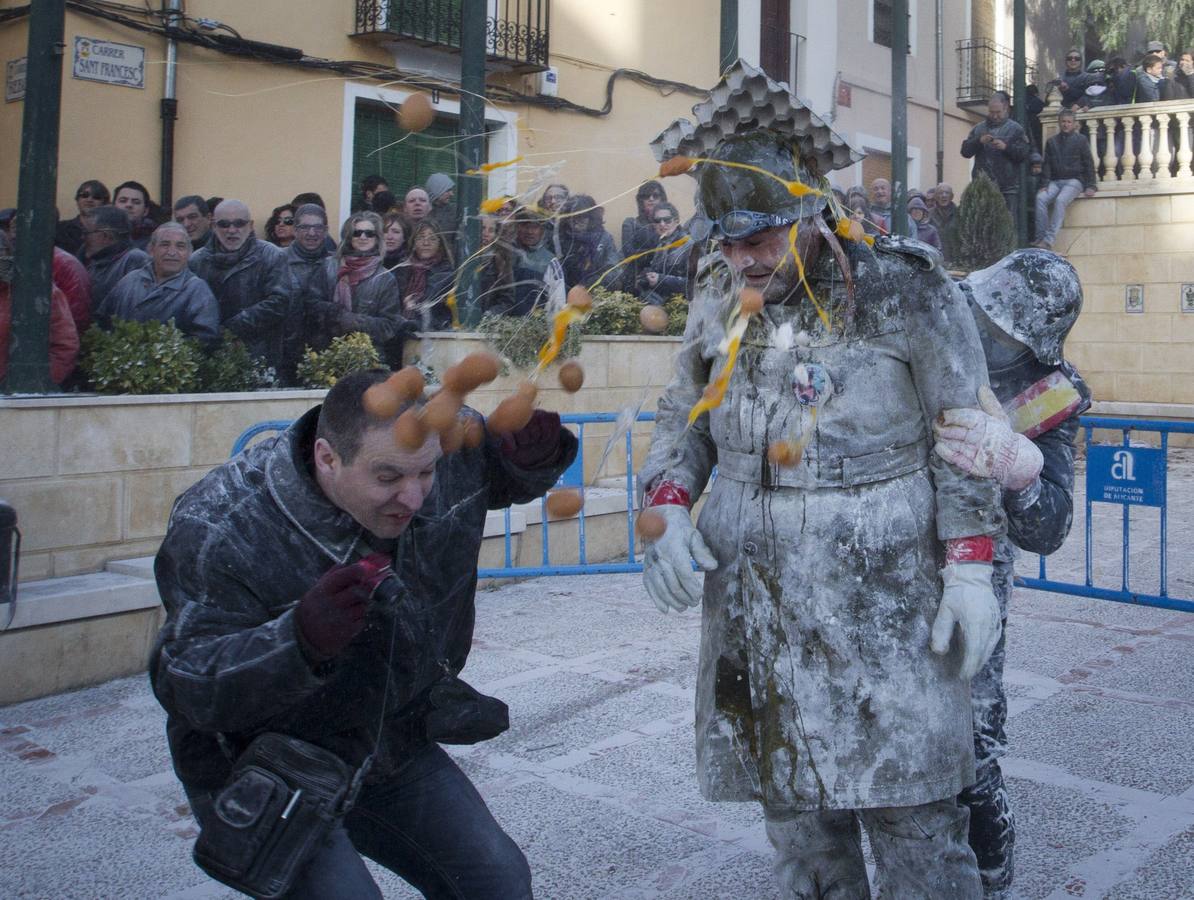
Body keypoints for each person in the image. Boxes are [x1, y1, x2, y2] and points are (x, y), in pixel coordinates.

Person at [640, 67, 1002, 896]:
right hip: (756, 590)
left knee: (915, 820)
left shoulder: (904, 289)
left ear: (811, 209)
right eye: (727, 239)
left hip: (885, 588)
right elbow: (681, 415)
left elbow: (967, 434)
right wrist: (664, 505)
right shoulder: (718, 292)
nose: (744, 256)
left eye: (762, 235)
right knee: (798, 824)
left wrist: (972, 564)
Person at [150, 368, 577, 899]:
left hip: (388, 735)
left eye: (425, 475)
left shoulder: (443, 440)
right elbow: (187, 681)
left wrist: (528, 458)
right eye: (388, 478)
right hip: (263, 760)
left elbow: (492, 475)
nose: (414, 497)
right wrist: (298, 640)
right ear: (328, 458)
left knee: (497, 882)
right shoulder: (223, 524)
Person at [937, 249, 1090, 897]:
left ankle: (989, 872)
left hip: (976, 570)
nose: (986, 341)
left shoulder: (1047, 392)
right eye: (983, 321)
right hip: (885, 551)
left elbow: (1050, 526)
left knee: (970, 744)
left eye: (1004, 336)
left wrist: (1021, 469)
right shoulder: (929, 315)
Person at [189, 199, 295, 382]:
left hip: (260, 360)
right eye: (224, 224)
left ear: (251, 225)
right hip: (209, 361)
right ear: (214, 226)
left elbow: (279, 302)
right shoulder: (196, 261)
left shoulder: (272, 256)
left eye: (239, 223)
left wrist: (231, 329)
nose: (232, 230)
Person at [308, 212, 410, 369]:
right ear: (349, 236)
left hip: (368, 360)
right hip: (325, 356)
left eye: (369, 233)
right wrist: (335, 314)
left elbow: (389, 326)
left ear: (377, 238)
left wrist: (353, 321)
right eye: (357, 232)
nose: (363, 237)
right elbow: (310, 305)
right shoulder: (327, 267)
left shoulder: (385, 278)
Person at [97, 223, 219, 345]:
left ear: (189, 253)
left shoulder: (198, 290)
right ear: (151, 250)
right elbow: (101, 322)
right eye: (165, 245)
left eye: (180, 246)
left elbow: (205, 340)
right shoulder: (129, 280)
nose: (172, 252)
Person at [0, 231, 79, 387]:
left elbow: (64, 347)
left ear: (8, 253)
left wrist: (31, 384)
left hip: (16, 396)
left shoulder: (37, 291)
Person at [961, 93, 1033, 220]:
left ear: (1006, 108)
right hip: (983, 186)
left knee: (1007, 225)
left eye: (998, 112)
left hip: (1007, 188)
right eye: (991, 112)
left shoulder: (1016, 129)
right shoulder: (979, 128)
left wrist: (1006, 148)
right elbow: (965, 152)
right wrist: (978, 141)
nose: (994, 116)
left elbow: (1024, 154)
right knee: (983, 223)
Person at [1034, 109, 1097, 250]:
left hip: (1074, 181)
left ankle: (1048, 240)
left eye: (1069, 122)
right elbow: (1047, 165)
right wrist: (1044, 184)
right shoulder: (1052, 142)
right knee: (1040, 198)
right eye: (1063, 121)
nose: (1066, 124)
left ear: (1074, 124)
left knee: (1060, 200)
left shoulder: (1081, 140)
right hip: (1055, 181)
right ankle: (1040, 238)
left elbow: (1089, 162)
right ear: (1059, 122)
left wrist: (1091, 185)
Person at [487, 206, 563, 316]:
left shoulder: (550, 261)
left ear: (542, 230)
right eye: (525, 226)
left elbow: (557, 301)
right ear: (517, 227)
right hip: (498, 323)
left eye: (535, 227)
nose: (530, 232)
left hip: (530, 327)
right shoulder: (503, 254)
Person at [79, 206, 150, 314]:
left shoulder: (134, 260)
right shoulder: (95, 262)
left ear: (105, 235)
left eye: (86, 233)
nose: (82, 237)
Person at [284, 204, 335, 340]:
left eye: (318, 227)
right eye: (305, 227)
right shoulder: (278, 261)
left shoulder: (336, 265)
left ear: (326, 231)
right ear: (295, 230)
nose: (311, 233)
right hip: (285, 347)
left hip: (326, 348)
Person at [395, 221, 454, 330]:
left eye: (432, 239)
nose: (426, 243)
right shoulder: (401, 269)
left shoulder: (447, 273)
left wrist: (415, 304)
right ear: (413, 242)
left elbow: (434, 305)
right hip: (400, 331)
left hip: (434, 334)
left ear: (440, 244)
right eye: (420, 238)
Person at [554, 194, 620, 291]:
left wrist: (596, 282)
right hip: (565, 293)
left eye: (582, 217)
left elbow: (614, 270)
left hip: (597, 292)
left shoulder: (604, 238)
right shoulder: (559, 238)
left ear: (591, 218)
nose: (576, 221)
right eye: (573, 216)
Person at [636, 201, 690, 305]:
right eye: (657, 221)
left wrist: (660, 279)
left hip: (683, 306)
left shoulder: (689, 245)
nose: (662, 224)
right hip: (664, 304)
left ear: (677, 221)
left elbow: (696, 283)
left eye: (667, 220)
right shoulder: (661, 245)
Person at [621, 181, 668, 286]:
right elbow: (628, 253)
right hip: (636, 280)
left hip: (663, 279)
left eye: (655, 196)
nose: (651, 199)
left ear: (661, 199)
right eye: (646, 196)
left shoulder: (670, 224)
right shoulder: (630, 223)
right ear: (641, 200)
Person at [55, 179, 109, 255]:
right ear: (77, 199)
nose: (90, 200)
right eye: (85, 195)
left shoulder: (109, 233)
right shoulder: (61, 229)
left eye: (96, 197)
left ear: (104, 203)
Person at [112, 180, 159, 249]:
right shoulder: (100, 236)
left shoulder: (156, 240)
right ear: (113, 207)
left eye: (136, 202)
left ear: (145, 211)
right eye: (123, 201)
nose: (129, 205)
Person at [425, 173, 458, 250]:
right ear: (437, 189)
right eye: (448, 190)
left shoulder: (455, 210)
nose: (451, 194)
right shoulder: (424, 213)